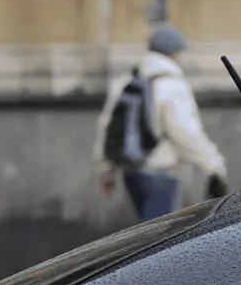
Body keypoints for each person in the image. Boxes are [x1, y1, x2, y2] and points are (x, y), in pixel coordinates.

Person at [94, 24, 231, 222]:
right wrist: (214, 167)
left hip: (131, 173)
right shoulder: (172, 86)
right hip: (161, 175)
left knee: (147, 234)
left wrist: (106, 170)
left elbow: (107, 126)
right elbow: (186, 133)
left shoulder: (126, 82)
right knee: (161, 240)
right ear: (174, 53)